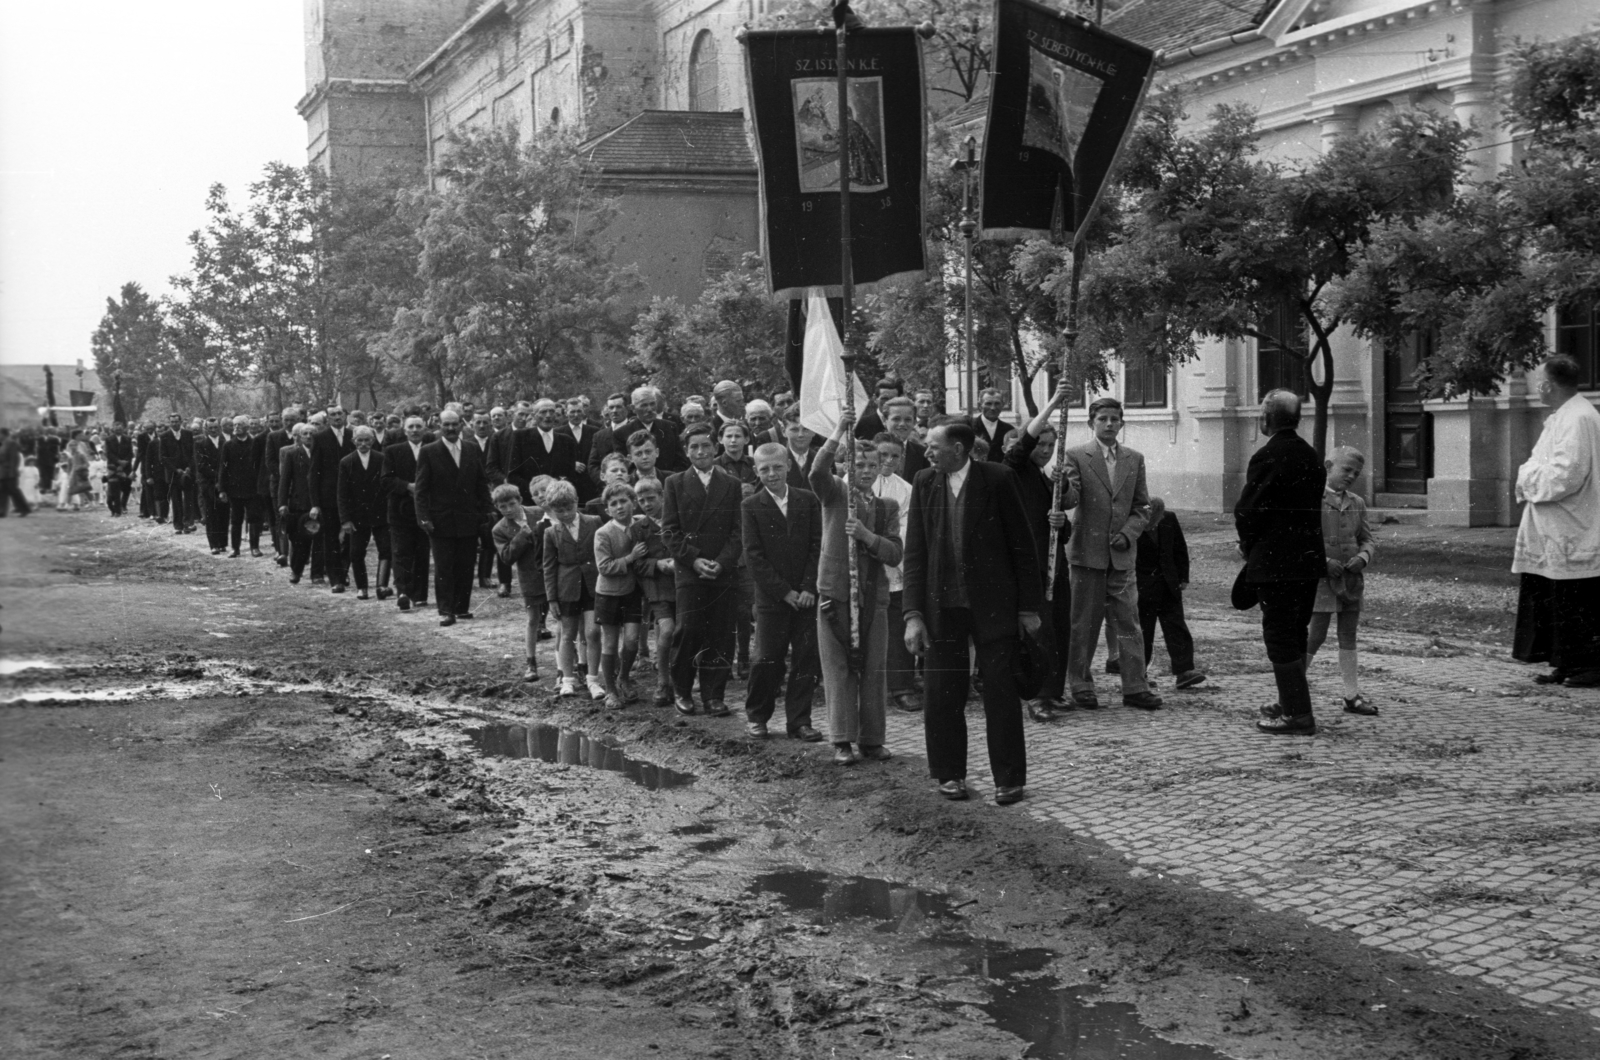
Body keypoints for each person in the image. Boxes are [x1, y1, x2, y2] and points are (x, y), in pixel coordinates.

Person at [902, 421, 1042, 805]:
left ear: (960, 449)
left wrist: (1029, 608)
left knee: (1000, 691)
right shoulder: (925, 482)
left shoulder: (997, 479)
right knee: (943, 693)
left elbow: (1023, 546)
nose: (927, 452)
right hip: (941, 608)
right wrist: (912, 614)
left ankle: (1009, 779)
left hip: (995, 607)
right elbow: (915, 551)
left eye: (934, 446)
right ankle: (949, 774)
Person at [1056, 397, 1162, 710]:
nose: (1109, 424)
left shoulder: (1134, 458)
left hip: (1122, 557)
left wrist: (1129, 534)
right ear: (1091, 422)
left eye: (1115, 418)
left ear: (1121, 422)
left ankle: (1135, 687)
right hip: (1088, 555)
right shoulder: (1076, 455)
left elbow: (1142, 505)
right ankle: (1081, 684)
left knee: (1129, 621)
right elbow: (1070, 499)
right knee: (1084, 623)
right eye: (1103, 418)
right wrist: (1061, 485)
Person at [1236, 389, 1328, 735]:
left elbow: (1248, 511)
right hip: (1307, 563)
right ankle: (1291, 705)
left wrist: (1248, 544)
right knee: (1296, 633)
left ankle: (1298, 715)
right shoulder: (1310, 455)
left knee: (1279, 637)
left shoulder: (1267, 456)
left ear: (1267, 418)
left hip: (1275, 564)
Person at [811, 417, 903, 764]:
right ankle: (842, 740)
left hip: (873, 596)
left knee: (874, 668)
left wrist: (866, 536)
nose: (865, 470)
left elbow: (894, 553)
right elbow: (816, 472)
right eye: (858, 464)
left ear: (881, 467)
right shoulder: (835, 493)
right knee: (838, 668)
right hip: (835, 592)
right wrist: (837, 432)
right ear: (847, 466)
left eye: (872, 465)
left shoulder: (886, 507)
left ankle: (872, 740)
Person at [1512, 355, 1600, 687]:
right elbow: (1537, 463)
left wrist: (1527, 478)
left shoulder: (1578, 418)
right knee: (1555, 596)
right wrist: (1531, 472)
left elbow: (1566, 476)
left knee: (1575, 599)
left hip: (1572, 526)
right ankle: (1565, 663)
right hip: (1557, 527)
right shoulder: (1565, 416)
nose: (1537, 386)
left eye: (1539, 381)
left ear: (1548, 384)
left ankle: (1587, 666)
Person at [741, 442, 823, 741]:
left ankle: (799, 721)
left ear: (789, 465)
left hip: (806, 597)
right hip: (772, 599)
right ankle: (757, 717)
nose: (772, 474)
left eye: (777, 467)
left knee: (806, 658)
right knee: (767, 657)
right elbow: (754, 556)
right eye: (764, 469)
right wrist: (784, 592)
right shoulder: (751, 506)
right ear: (756, 471)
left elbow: (818, 545)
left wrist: (807, 587)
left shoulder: (808, 500)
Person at [1002, 383, 1074, 719]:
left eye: (1051, 444)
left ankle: (1054, 690)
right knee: (1039, 627)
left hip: (1055, 564)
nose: (1045, 450)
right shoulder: (1015, 471)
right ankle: (1037, 696)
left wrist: (1060, 520)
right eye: (1041, 444)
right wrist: (1053, 403)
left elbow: (1062, 531)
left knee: (1060, 626)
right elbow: (1021, 446)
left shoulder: (1048, 480)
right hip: (1029, 565)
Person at [661, 422, 743, 716]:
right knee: (689, 630)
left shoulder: (731, 484)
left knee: (721, 632)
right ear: (686, 451)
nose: (701, 451)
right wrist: (694, 559)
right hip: (690, 571)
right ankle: (682, 691)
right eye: (694, 446)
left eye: (706, 445)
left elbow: (738, 531)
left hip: (723, 571)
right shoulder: (675, 483)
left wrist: (722, 562)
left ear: (715, 447)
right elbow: (669, 532)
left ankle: (713, 695)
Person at [1305, 450, 1375, 712]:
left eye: (1356, 473)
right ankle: (1291, 692)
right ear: (1328, 466)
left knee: (1349, 635)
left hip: (1351, 580)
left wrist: (1364, 557)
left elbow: (1367, 538)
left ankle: (1351, 696)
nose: (1351, 476)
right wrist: (1321, 562)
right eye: (1346, 470)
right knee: (1316, 635)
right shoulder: (1312, 499)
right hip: (1321, 580)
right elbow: (1301, 538)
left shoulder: (1357, 502)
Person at [414, 409, 493, 626]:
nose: (450, 429)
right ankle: (446, 609)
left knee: (466, 565)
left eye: (454, 424)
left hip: (468, 518)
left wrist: (487, 511)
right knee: (444, 566)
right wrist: (423, 518)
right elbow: (421, 489)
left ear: (461, 425)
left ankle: (462, 607)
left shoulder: (471, 448)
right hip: (440, 520)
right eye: (446, 425)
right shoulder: (429, 451)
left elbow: (480, 482)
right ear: (439, 426)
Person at [1135, 497, 1206, 691]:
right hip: (1142, 589)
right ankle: (1138, 676)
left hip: (1169, 585)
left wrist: (1183, 577)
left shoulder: (1169, 518)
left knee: (1177, 628)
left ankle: (1185, 672)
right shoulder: (1133, 520)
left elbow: (1179, 549)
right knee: (1143, 633)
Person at [542, 480, 604, 699]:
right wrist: (551, 599)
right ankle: (567, 680)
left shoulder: (594, 521)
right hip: (566, 589)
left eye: (569, 508)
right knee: (567, 635)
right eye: (559, 511)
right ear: (551, 510)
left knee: (593, 632)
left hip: (593, 586)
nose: (565, 514)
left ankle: (593, 679)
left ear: (577, 502)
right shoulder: (551, 533)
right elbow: (549, 567)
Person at [872, 432, 918, 712]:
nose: (888, 461)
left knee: (897, 626)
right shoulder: (852, 481)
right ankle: (871, 686)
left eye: (894, 456)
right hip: (865, 566)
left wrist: (887, 550)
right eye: (882, 455)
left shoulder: (906, 490)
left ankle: (901, 686)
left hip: (893, 565)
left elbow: (905, 530)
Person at [593, 482, 648, 708]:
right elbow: (604, 567)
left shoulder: (642, 524)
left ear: (633, 502)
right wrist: (630, 558)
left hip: (633, 592)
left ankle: (623, 677)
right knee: (610, 642)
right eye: (613, 504)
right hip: (608, 594)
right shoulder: (603, 533)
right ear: (608, 510)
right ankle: (611, 690)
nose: (619, 507)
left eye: (624, 501)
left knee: (632, 640)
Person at [492, 483, 548, 683]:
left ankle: (573, 661)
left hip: (551, 574)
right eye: (502, 507)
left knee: (563, 618)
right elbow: (506, 557)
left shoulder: (540, 512)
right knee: (532, 619)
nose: (508, 509)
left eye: (511, 504)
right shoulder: (499, 529)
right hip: (529, 577)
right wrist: (522, 535)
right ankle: (531, 663)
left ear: (520, 501)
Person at [632, 477, 678, 708]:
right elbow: (637, 564)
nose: (647, 504)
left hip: (682, 586)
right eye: (641, 500)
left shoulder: (677, 520)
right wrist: (657, 565)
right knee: (667, 629)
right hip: (658, 588)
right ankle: (662, 682)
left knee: (685, 631)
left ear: (662, 496)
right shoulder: (638, 529)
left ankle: (681, 681)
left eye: (651, 498)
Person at [382, 416, 431, 612]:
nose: (415, 430)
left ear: (425, 428)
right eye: (411, 427)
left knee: (422, 551)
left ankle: (420, 595)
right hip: (400, 509)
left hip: (425, 508)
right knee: (401, 552)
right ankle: (403, 592)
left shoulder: (432, 449)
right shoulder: (393, 451)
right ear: (404, 430)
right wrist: (407, 486)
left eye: (419, 426)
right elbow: (386, 479)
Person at [337, 426, 392, 601]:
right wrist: (345, 519)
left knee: (386, 549)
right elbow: (342, 493)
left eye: (367, 440)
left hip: (381, 514)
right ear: (353, 441)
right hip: (357, 516)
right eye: (359, 440)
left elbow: (388, 486)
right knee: (356, 552)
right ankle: (362, 587)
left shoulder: (382, 459)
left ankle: (381, 585)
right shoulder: (346, 462)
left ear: (373, 441)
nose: (363, 444)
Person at [309, 407, 357, 590]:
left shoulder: (354, 436)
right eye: (333, 415)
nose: (337, 418)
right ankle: (335, 578)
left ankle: (343, 571)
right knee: (331, 539)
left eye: (340, 414)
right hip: (328, 497)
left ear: (345, 416)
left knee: (351, 539)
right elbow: (313, 473)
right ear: (327, 419)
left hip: (352, 496)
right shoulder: (320, 438)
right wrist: (315, 503)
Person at [276, 424, 317, 583]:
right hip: (299, 503)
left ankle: (317, 574)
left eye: (311, 433)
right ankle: (296, 571)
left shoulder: (322, 452)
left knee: (320, 540)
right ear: (299, 437)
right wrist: (282, 503)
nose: (308, 436)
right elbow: (285, 481)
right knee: (300, 540)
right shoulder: (292, 454)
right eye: (305, 433)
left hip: (319, 503)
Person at [612, 386, 687, 473]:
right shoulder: (621, 434)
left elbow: (681, 462)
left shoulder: (669, 427)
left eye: (652, 404)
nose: (650, 409)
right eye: (644, 405)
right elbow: (624, 467)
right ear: (633, 408)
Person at [218, 415, 263, 556]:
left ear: (247, 427)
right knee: (236, 519)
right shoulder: (228, 445)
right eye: (234, 425)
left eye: (239, 425)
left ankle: (254, 547)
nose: (236, 428)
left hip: (252, 488)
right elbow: (223, 468)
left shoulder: (255, 443)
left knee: (254, 518)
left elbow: (260, 466)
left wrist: (260, 486)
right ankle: (235, 548)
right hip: (234, 489)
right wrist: (222, 489)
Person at [156, 412, 196, 533]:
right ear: (169, 423)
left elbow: (193, 453)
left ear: (181, 422)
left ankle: (188, 523)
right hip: (173, 473)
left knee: (188, 499)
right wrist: (175, 469)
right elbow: (162, 457)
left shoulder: (188, 434)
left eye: (176, 421)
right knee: (176, 500)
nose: (174, 424)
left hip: (188, 473)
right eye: (172, 422)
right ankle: (178, 526)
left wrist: (189, 467)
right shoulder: (164, 436)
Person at [194, 417, 228, 552]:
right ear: (205, 429)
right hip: (208, 483)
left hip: (223, 483)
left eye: (215, 427)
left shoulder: (224, 441)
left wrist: (223, 479)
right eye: (210, 428)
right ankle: (214, 544)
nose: (213, 430)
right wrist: (218, 476)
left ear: (219, 428)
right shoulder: (200, 443)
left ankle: (223, 543)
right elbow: (201, 465)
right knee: (211, 514)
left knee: (224, 513)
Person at [972, 388, 1014, 461]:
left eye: (997, 403)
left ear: (1002, 405)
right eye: (988, 403)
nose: (993, 408)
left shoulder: (1009, 429)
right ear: (980, 405)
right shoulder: (970, 427)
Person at [0, 428, 30, 517]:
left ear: (4, 434)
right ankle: (2, 511)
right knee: (2, 491)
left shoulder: (11, 443)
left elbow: (14, 459)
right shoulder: (3, 444)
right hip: (3, 472)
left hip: (10, 472)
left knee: (14, 491)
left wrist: (12, 472)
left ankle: (24, 509)